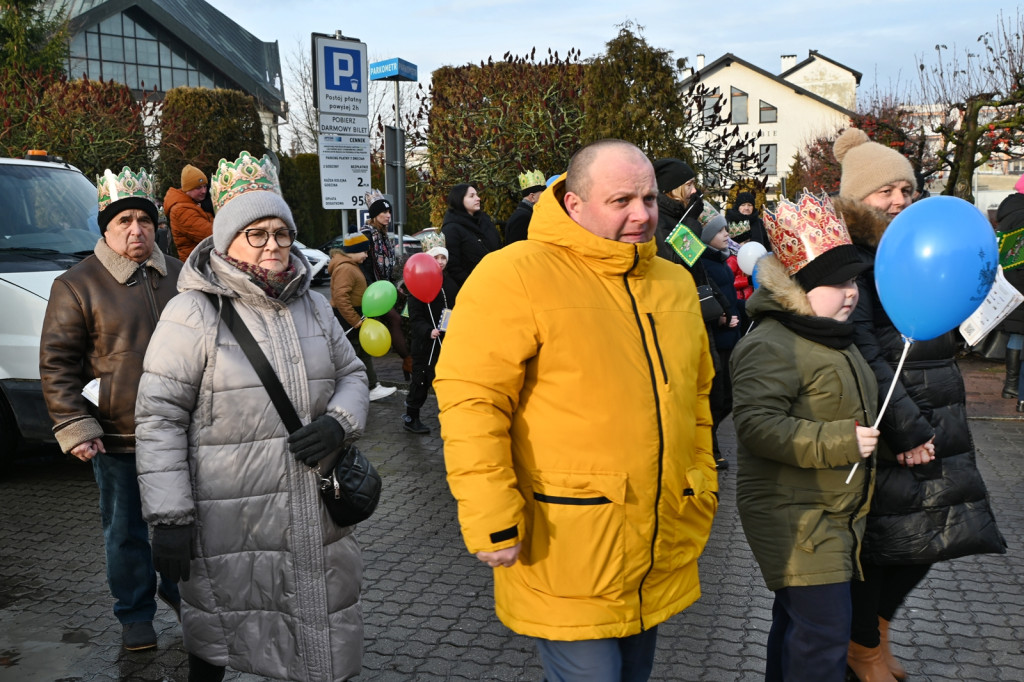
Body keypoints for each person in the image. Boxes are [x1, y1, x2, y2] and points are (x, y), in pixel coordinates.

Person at [434, 139, 718, 682]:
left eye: (650, 198)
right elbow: (472, 402)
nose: (642, 214)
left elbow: (698, 396)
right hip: (566, 546)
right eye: (621, 201)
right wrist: (491, 515)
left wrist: (701, 479)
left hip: (658, 543)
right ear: (574, 204)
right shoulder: (512, 275)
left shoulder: (674, 282)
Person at [134, 151, 369, 682]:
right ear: (226, 241)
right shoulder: (191, 312)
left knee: (323, 632)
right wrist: (169, 518)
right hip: (227, 518)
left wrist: (339, 423)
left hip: (314, 511)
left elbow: (354, 375)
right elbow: (159, 419)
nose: (272, 247)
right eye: (255, 234)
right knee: (219, 637)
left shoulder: (311, 304)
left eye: (280, 233)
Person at [834, 127, 1007, 681]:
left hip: (940, 413)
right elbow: (863, 351)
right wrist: (905, 430)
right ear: (857, 197)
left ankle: (875, 637)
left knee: (931, 536)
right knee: (887, 543)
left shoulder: (910, 246)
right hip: (896, 420)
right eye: (885, 191)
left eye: (906, 190)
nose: (899, 202)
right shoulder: (849, 260)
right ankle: (862, 648)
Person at [732, 191, 880, 682]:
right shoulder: (774, 344)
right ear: (799, 288)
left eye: (854, 280)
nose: (851, 292)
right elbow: (757, 427)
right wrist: (843, 440)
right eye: (837, 283)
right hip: (794, 517)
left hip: (829, 511)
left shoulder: (832, 336)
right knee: (823, 637)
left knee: (798, 629)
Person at [39, 166, 184, 652]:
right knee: (124, 533)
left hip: (181, 432)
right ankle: (135, 614)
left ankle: (185, 596)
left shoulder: (180, 276)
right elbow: (57, 362)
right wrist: (76, 426)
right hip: (117, 434)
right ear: (106, 228)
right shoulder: (77, 285)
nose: (136, 230)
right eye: (124, 221)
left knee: (184, 523)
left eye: (143, 220)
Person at [328, 230, 397, 402]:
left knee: (361, 353)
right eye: (364, 251)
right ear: (353, 251)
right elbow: (340, 298)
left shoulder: (349, 266)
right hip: (348, 319)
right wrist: (355, 320)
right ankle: (364, 388)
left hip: (354, 316)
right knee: (352, 354)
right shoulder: (345, 268)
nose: (366, 255)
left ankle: (370, 386)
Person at [697, 208, 741, 470]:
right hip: (718, 336)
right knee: (717, 396)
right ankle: (709, 447)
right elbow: (703, 300)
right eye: (721, 231)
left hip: (731, 337)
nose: (727, 234)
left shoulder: (722, 259)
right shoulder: (704, 263)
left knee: (729, 397)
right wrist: (720, 319)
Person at [403, 243, 459, 434]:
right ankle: (411, 416)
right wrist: (428, 331)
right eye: (436, 258)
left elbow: (454, 306)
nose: (441, 262)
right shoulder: (418, 282)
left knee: (448, 379)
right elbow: (415, 317)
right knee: (421, 380)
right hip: (425, 344)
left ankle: (451, 415)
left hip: (447, 340)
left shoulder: (449, 282)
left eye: (444, 258)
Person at [362, 193, 413, 377]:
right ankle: (408, 361)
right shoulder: (366, 235)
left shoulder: (385, 237)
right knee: (395, 319)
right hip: (371, 292)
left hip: (385, 289)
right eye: (384, 211)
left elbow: (391, 265)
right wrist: (371, 287)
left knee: (404, 316)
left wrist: (397, 285)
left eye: (389, 211)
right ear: (375, 215)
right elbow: (361, 263)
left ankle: (408, 362)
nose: (388, 215)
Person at [995, 173, 1024, 409]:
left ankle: (1010, 384)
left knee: (1017, 332)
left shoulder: (1008, 212)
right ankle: (1014, 385)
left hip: (1010, 278)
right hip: (1022, 278)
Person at [440, 183, 501, 286]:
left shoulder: (485, 220)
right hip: (474, 288)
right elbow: (453, 267)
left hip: (498, 281)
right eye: (472, 196)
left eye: (477, 195)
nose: (478, 198)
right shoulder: (451, 229)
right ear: (459, 200)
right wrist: (475, 283)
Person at [163, 163, 213, 261]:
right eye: (198, 188)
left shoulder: (192, 204)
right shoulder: (181, 210)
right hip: (196, 265)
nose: (204, 191)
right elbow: (210, 235)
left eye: (205, 186)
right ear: (187, 189)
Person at [504, 169, 546, 245]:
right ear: (532, 197)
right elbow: (518, 248)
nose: (546, 198)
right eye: (543, 195)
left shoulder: (524, 214)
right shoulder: (522, 218)